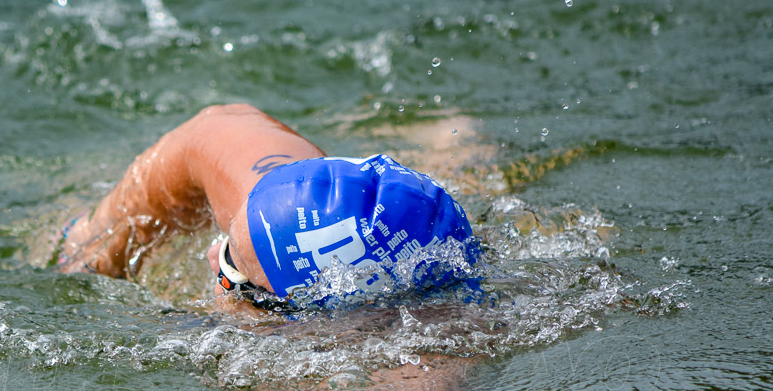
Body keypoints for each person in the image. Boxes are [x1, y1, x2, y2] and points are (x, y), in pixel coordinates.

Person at [56, 104, 477, 310]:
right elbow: (215, 126)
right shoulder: (271, 192)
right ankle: (455, 139)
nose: (210, 255)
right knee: (82, 251)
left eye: (230, 269)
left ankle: (462, 143)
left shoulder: (432, 352)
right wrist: (104, 241)